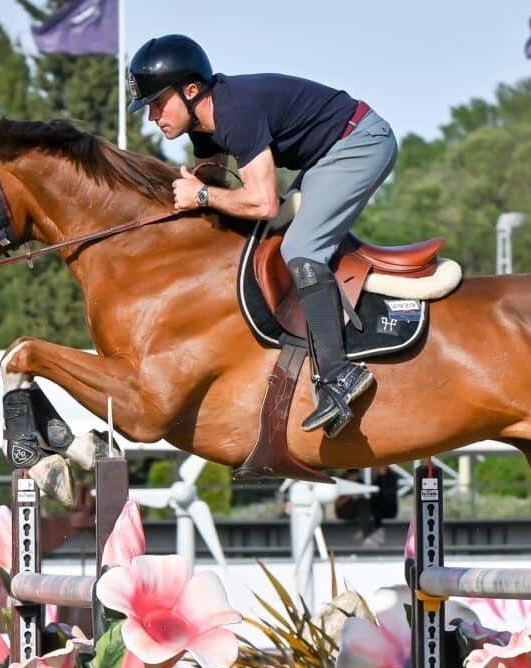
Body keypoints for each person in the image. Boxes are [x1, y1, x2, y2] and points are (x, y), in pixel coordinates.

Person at [126, 34, 398, 438]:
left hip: (361, 143)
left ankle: (340, 375)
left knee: (301, 249)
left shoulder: (235, 113)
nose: (152, 117)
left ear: (191, 90)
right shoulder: (204, 124)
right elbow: (214, 180)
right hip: (328, 153)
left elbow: (261, 202)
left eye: (156, 103)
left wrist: (201, 194)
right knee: (271, 239)